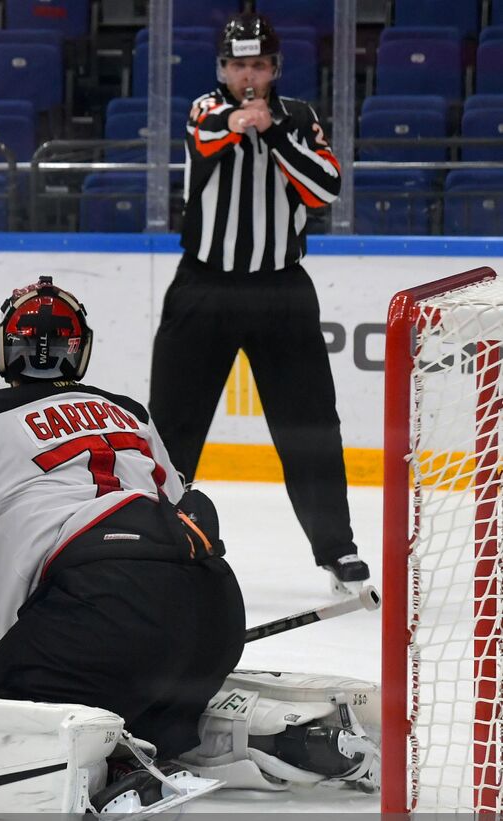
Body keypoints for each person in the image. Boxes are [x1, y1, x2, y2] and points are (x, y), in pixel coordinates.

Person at [0, 276, 379, 821]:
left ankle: (110, 774)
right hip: (213, 607)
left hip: (98, 613)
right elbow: (187, 508)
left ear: (4, 351)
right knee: (140, 692)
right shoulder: (128, 416)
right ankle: (269, 736)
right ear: (79, 351)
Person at [149, 11, 371, 596]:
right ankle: (157, 541)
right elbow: (208, 138)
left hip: (281, 290)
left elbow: (324, 188)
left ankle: (337, 550)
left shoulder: (300, 118)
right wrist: (245, 122)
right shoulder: (204, 109)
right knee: (173, 425)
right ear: (223, 68)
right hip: (204, 288)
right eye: (238, 64)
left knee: (310, 425)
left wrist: (271, 131)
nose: (248, 75)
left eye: (259, 64)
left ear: (274, 68)